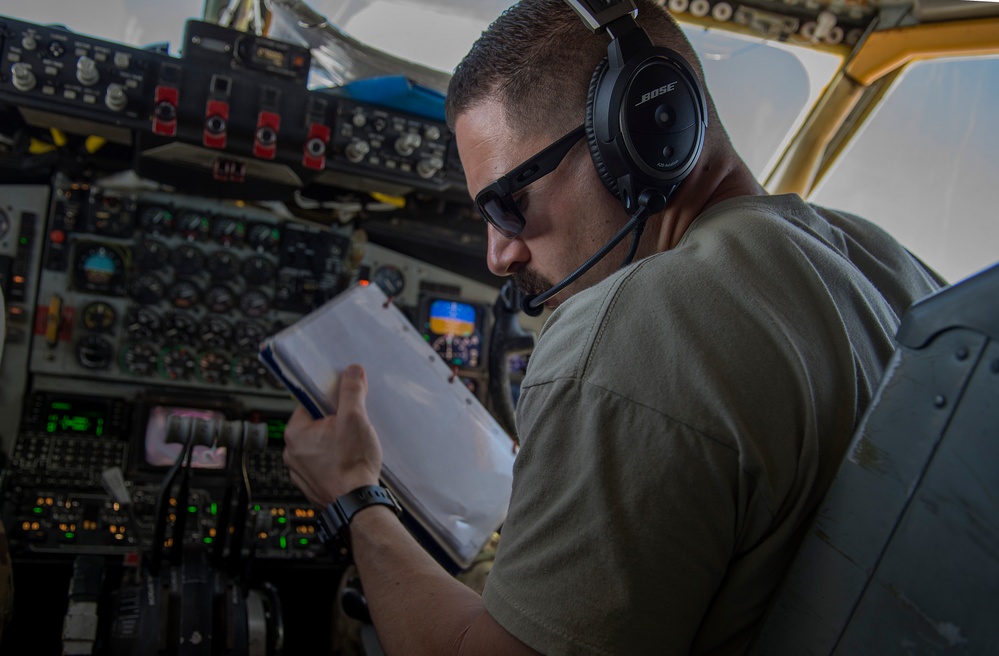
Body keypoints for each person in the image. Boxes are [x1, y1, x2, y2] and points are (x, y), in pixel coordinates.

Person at [282, 0, 946, 654]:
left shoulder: (627, 328)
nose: (498, 253)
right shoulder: (884, 261)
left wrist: (355, 496)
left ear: (644, 133)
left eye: (508, 205)